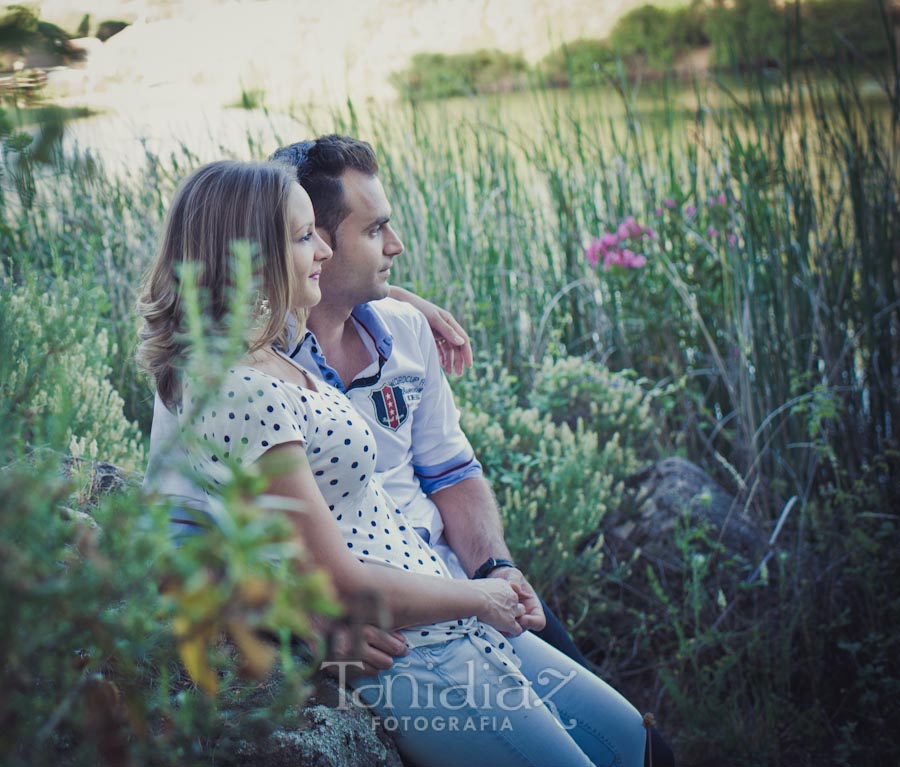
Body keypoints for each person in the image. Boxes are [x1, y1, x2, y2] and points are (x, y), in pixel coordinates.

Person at [138, 159, 649, 767]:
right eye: (306, 237)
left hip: (446, 598)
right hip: (409, 643)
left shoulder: (283, 348)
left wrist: (492, 576)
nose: (323, 250)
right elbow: (316, 573)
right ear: (253, 258)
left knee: (629, 739)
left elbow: (453, 469)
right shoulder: (239, 388)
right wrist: (475, 598)